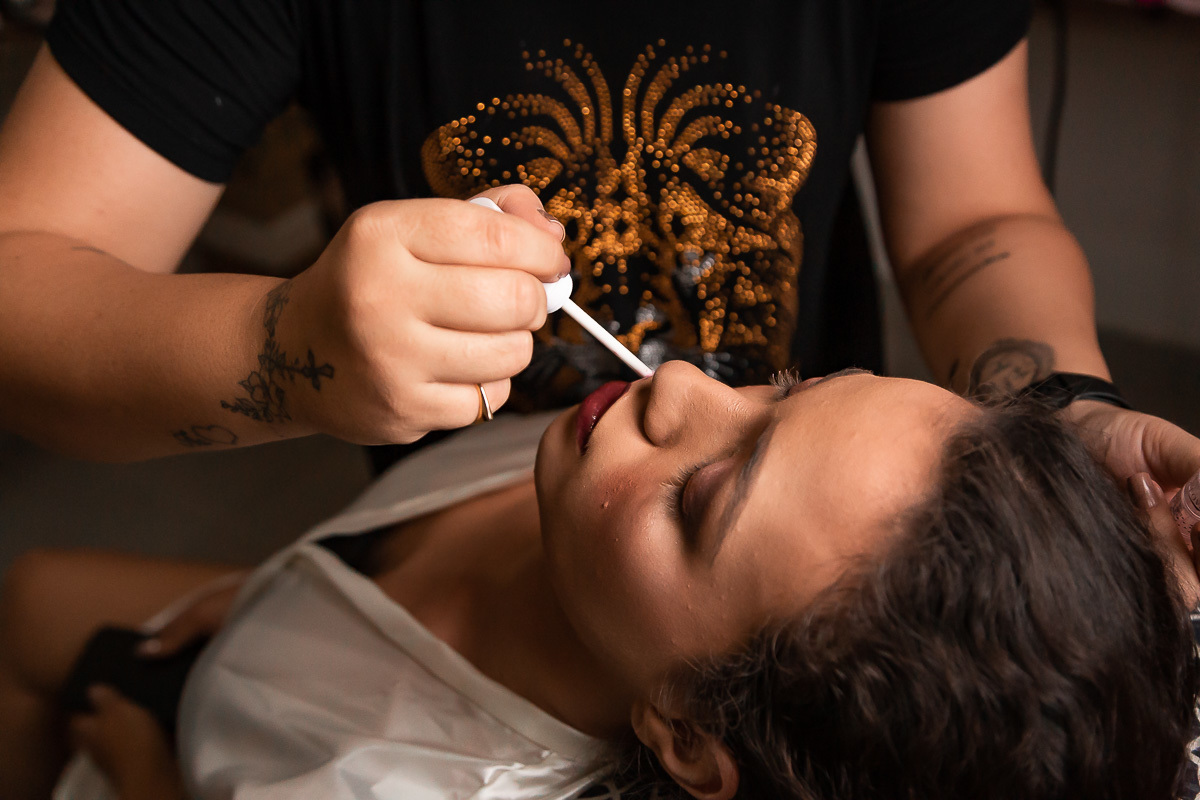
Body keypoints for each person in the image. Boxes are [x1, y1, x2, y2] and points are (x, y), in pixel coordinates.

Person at [0, 0, 1195, 514]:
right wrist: (289, 349)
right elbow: (26, 274)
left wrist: (1063, 413)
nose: (677, 393)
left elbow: (971, 222)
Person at [2, 363, 1197, 800]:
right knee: (33, 591)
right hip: (283, 625)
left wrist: (156, 776)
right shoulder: (601, 508)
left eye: (703, 497)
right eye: (786, 387)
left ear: (689, 731)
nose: (681, 384)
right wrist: (290, 592)